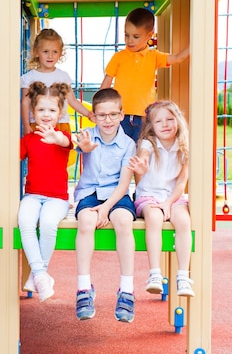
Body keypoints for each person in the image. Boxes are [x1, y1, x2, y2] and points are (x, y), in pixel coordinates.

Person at [73, 88, 137, 322]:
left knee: (123, 221)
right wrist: (83, 148)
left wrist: (106, 207)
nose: (107, 120)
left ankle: (127, 289)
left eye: (112, 115)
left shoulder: (128, 144)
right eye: (101, 115)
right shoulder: (87, 135)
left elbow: (123, 184)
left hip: (116, 195)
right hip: (90, 193)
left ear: (121, 115)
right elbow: (73, 146)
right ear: (94, 116)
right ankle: (83, 288)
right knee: (86, 221)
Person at [128, 101, 194, 297]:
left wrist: (168, 203)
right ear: (152, 126)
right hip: (148, 195)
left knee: (183, 221)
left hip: (172, 197)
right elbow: (144, 157)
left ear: (178, 121)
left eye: (170, 119)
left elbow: (181, 183)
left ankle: (183, 276)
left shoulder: (183, 147)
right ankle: (155, 273)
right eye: (159, 121)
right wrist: (141, 166)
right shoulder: (149, 143)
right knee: (154, 219)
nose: (165, 125)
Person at [18, 81, 73, 302]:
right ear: (33, 113)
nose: (46, 114)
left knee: (49, 223)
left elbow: (65, 142)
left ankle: (38, 272)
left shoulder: (63, 137)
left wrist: (55, 138)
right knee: (25, 221)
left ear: (60, 113)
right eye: (41, 109)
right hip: (33, 195)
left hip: (57, 198)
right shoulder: (29, 139)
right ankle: (41, 275)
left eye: (52, 110)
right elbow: (11, 157)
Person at [99, 7, 190, 142]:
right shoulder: (119, 57)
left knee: (141, 150)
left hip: (143, 117)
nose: (130, 40)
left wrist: (195, 42)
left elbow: (177, 58)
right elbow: (106, 84)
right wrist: (100, 107)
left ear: (150, 35)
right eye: (126, 35)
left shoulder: (153, 56)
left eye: (136, 36)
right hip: (120, 115)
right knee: (118, 149)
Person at [21, 28, 93, 136]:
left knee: (60, 152)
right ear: (36, 52)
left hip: (61, 124)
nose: (50, 56)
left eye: (55, 52)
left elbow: (72, 101)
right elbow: (25, 103)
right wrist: (26, 125)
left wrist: (88, 114)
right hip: (37, 125)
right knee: (38, 152)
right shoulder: (29, 77)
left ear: (60, 54)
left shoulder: (63, 76)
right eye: (45, 51)